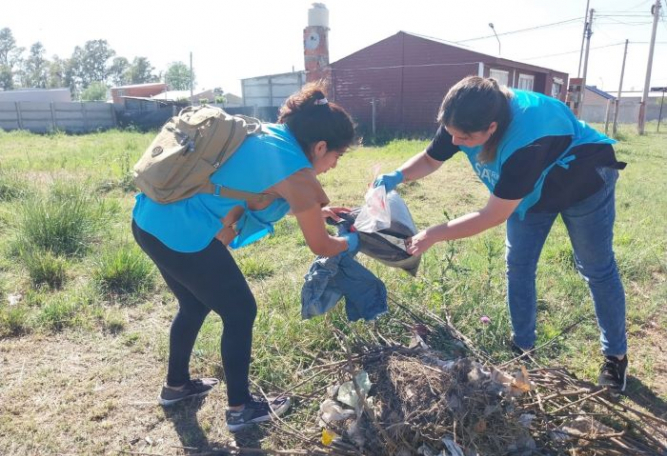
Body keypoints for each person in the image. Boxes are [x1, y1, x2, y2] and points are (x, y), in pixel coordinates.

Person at [374, 76, 629, 391]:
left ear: (491, 129)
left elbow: (492, 214)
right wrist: (397, 176)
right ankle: (522, 349)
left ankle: (615, 357)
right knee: (519, 265)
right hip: (531, 191)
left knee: (595, 267)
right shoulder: (463, 114)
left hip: (583, 180)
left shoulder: (528, 139)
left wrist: (433, 234)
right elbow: (430, 158)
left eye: (464, 137)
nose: (453, 142)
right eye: (450, 133)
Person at [132, 84, 359, 431]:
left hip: (148, 220)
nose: (332, 165)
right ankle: (241, 408)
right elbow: (323, 247)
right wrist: (356, 241)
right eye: (336, 157)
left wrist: (317, 211)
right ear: (320, 146)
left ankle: (176, 387)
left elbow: (252, 186)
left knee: (194, 305)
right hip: (181, 235)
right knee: (240, 311)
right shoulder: (296, 172)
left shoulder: (269, 134)